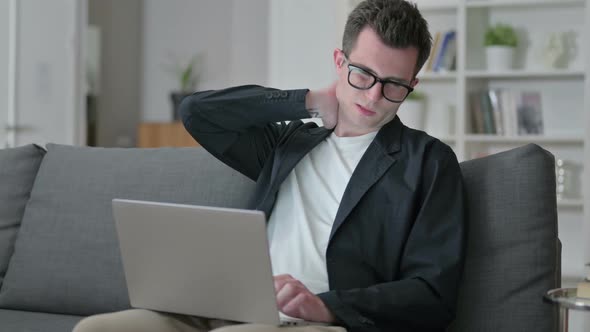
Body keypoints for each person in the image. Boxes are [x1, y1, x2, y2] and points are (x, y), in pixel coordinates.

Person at [72, 0, 465, 331]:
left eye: (394, 84)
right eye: (362, 74)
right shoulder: (290, 142)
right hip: (223, 305)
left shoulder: (428, 163)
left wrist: (327, 306)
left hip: (318, 322)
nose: (374, 96)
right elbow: (197, 113)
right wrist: (306, 100)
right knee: (97, 329)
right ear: (339, 61)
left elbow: (432, 292)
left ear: (412, 83)